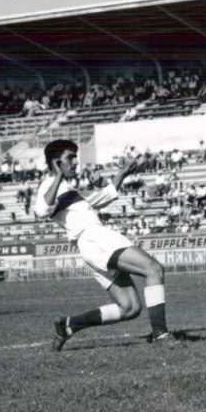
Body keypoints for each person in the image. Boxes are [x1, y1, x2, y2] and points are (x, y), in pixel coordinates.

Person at [34, 140, 175, 351]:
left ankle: (68, 326)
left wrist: (123, 173)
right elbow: (41, 210)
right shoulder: (49, 184)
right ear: (56, 163)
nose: (75, 163)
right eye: (70, 158)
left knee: (130, 308)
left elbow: (103, 196)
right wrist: (58, 175)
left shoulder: (70, 190)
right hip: (95, 238)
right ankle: (161, 335)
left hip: (92, 246)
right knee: (153, 269)